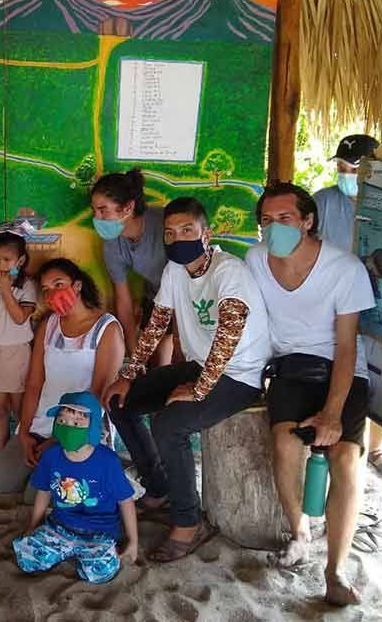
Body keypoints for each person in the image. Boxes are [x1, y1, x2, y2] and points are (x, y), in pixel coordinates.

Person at [103, 197, 271, 562]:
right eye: (170, 233)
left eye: (187, 231)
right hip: (200, 366)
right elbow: (157, 323)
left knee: (170, 424)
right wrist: (129, 375)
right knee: (121, 403)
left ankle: (186, 522)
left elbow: (228, 336)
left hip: (240, 375)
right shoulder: (175, 271)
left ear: (206, 234)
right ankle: (158, 486)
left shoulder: (230, 272)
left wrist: (198, 390)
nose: (178, 239)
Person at [245, 182, 376, 607]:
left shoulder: (344, 268)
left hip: (342, 371)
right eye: (266, 220)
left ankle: (335, 569)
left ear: (307, 220)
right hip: (290, 368)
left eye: (285, 218)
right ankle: (299, 531)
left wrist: (333, 413)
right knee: (284, 443)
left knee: (344, 457)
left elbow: (346, 347)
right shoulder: (254, 260)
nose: (274, 227)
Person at [0, 258, 124, 498]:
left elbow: (97, 395)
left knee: (35, 497)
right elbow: (34, 384)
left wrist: (58, 440)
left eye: (59, 284)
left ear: (77, 286)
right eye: (46, 290)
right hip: (41, 422)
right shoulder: (49, 325)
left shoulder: (106, 328)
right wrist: (25, 432)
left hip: (78, 428)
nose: (52, 294)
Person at [316, 134, 382, 479]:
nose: (344, 175)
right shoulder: (324, 202)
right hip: (336, 306)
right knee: (343, 369)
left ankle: (378, 445)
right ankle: (337, 436)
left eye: (353, 169)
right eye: (340, 167)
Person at [13, 391, 137, 583]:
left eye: (77, 423)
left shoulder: (108, 461)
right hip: (60, 526)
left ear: (93, 427)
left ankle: (77, 554)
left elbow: (125, 500)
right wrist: (33, 525)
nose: (68, 427)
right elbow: (44, 491)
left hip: (100, 532)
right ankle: (68, 551)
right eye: (62, 421)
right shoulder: (51, 455)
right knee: (27, 558)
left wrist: (133, 541)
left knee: (102, 571)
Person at [90, 169, 173, 364]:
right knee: (147, 359)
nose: (96, 218)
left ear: (128, 208)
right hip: (156, 298)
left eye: (103, 210)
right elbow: (123, 300)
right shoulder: (111, 242)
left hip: (187, 298)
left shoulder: (166, 224)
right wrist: (134, 353)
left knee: (166, 354)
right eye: (94, 211)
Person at [0, 226, 37, 451]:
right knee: (0, 409)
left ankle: (23, 452)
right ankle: (2, 452)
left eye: (6, 259)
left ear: (20, 260)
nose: (0, 264)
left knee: (20, 410)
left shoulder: (27, 285)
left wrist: (5, 290)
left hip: (17, 354)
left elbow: (20, 318)